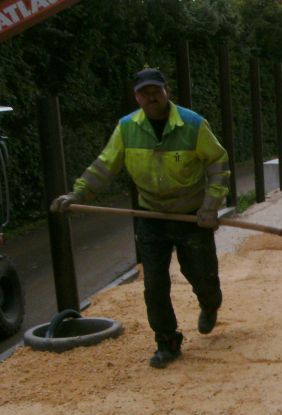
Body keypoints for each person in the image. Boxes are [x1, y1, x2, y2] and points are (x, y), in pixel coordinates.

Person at [51, 67, 230, 368]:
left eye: (155, 91)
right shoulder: (126, 128)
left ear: (166, 92)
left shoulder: (193, 124)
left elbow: (218, 162)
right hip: (151, 215)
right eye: (144, 93)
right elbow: (104, 166)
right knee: (155, 284)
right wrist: (78, 194)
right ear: (136, 97)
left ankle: (209, 303)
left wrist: (211, 207)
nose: (150, 97)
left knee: (201, 274)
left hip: (191, 216)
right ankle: (167, 341)